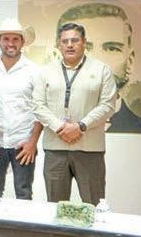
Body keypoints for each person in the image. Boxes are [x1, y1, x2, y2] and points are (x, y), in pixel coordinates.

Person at [33, 23, 117, 205]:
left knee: (94, 203)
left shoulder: (101, 70)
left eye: (75, 40)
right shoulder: (46, 72)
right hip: (55, 148)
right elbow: (38, 105)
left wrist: (80, 126)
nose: (69, 45)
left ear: (84, 42)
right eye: (65, 41)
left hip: (89, 149)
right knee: (56, 206)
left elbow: (108, 105)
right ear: (59, 44)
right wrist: (60, 128)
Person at [55, 3, 141, 133]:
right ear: (58, 57)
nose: (98, 60)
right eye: (84, 48)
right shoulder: (44, 125)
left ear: (130, 61)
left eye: (112, 49)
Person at [0, 19, 43, 201]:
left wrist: (33, 142)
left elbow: (41, 108)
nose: (10, 43)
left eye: (15, 39)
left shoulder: (34, 71)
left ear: (22, 42)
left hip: (23, 143)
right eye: (6, 39)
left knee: (24, 193)